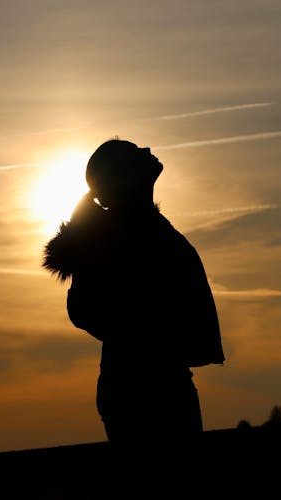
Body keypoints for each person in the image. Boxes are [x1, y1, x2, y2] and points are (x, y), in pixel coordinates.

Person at [42, 139, 224, 469]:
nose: (146, 150)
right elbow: (83, 308)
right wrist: (144, 334)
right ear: (123, 176)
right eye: (133, 151)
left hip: (162, 380)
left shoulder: (142, 228)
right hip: (139, 388)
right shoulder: (116, 236)